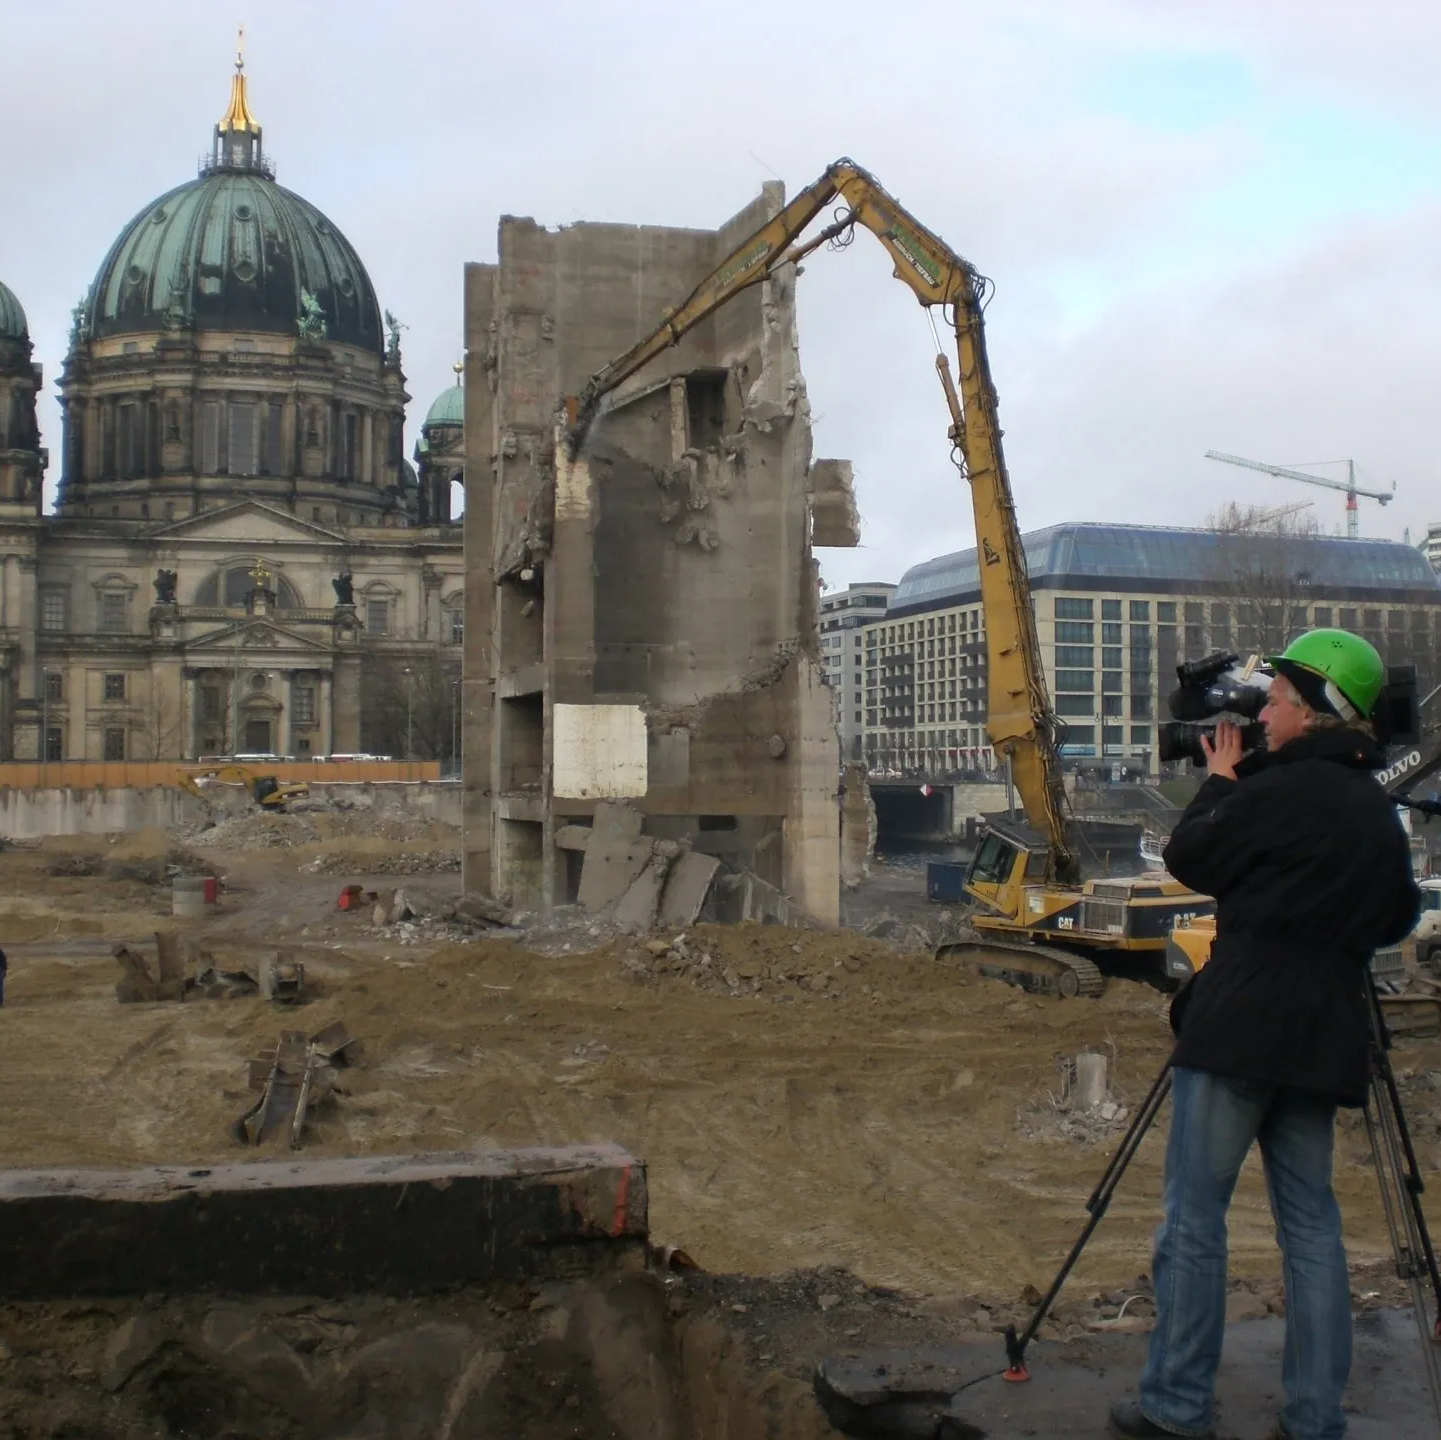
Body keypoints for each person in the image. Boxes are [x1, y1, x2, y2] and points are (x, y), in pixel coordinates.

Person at [1110, 629, 1421, 1440]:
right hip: (1324, 1038)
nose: (1265, 714)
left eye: (1278, 700)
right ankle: (1315, 1418)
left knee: (1193, 1220)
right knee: (1312, 1228)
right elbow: (1395, 916)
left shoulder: (1268, 792)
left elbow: (1192, 857)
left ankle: (1175, 1406)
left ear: (1316, 711)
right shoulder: (1373, 810)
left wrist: (1217, 781)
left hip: (1238, 1029)